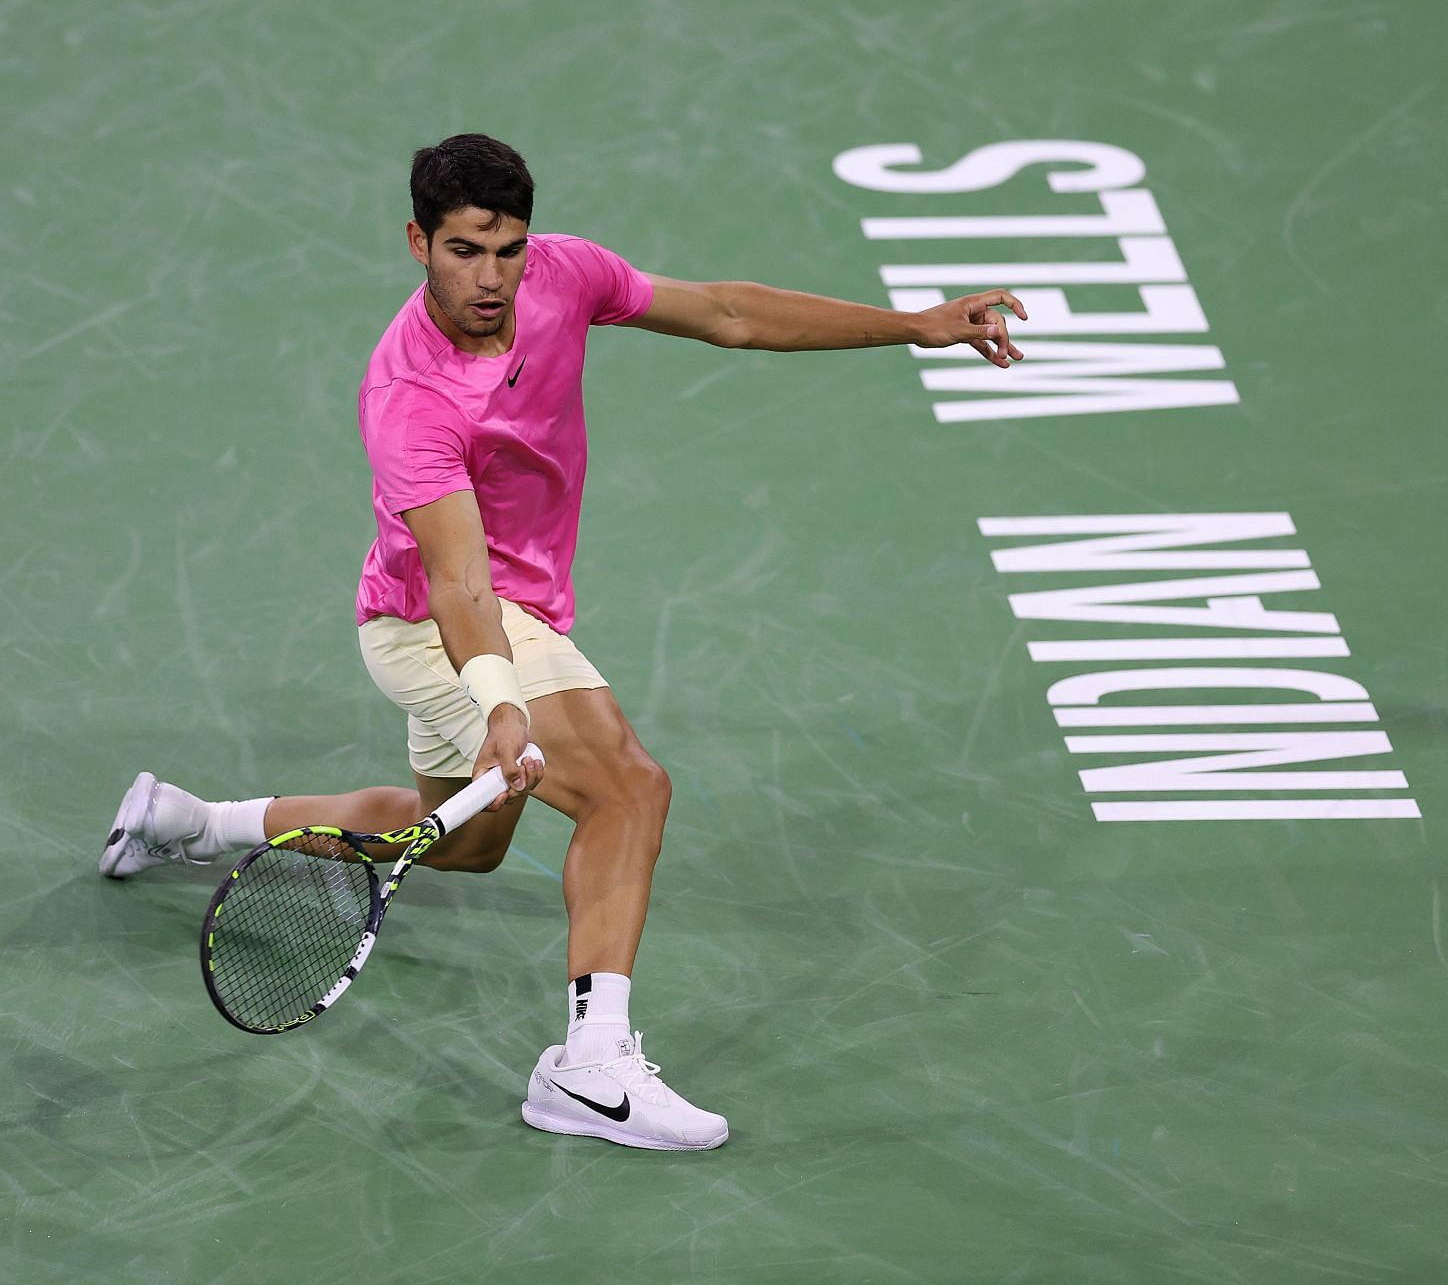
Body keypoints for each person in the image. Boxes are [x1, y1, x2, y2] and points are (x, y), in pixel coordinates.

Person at [99, 133, 1025, 1151]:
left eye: (507, 249)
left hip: (508, 613)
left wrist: (914, 326)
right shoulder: (410, 396)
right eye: (462, 251)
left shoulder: (566, 274)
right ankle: (588, 1068)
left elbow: (724, 311)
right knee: (629, 787)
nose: (490, 278)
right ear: (418, 241)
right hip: (434, 627)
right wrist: (501, 701)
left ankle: (191, 823)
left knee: (456, 839)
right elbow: (458, 581)